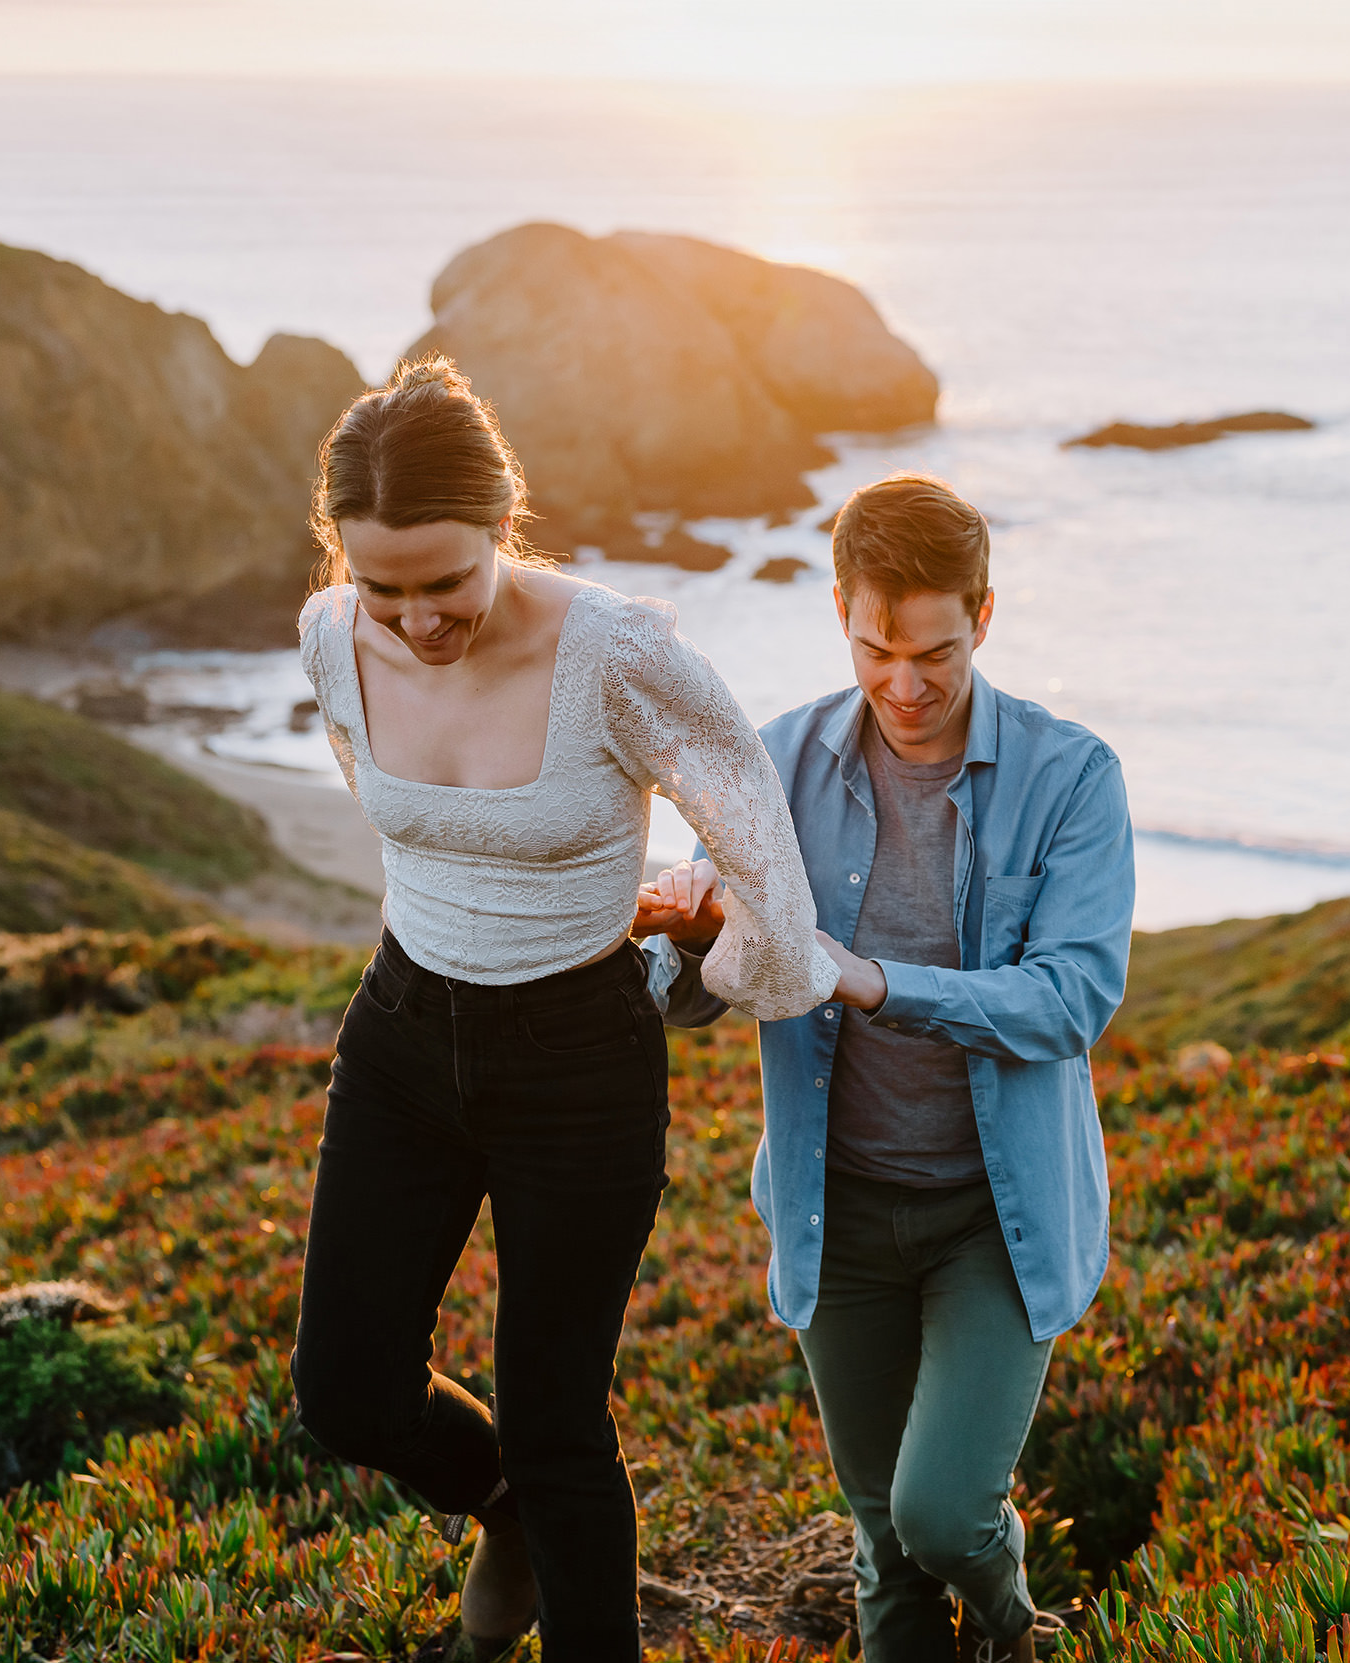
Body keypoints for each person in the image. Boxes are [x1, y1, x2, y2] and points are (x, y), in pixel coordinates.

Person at [289, 359, 838, 1663]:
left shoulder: (619, 653)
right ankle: (503, 1516)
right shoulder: (324, 635)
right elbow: (386, 798)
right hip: (404, 1036)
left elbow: (760, 848)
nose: (416, 620)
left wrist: (704, 954)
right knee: (347, 1391)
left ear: (503, 524)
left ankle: (557, 1551)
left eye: (446, 581)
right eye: (383, 587)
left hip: (578, 1060)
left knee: (557, 1418)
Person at [634, 473, 1134, 1663]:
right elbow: (700, 999)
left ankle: (1018, 1631)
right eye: (874, 650)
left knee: (940, 1515)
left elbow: (1072, 1000)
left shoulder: (1074, 777)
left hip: (994, 1222)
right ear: (843, 616)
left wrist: (870, 979)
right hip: (834, 1210)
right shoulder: (774, 764)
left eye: (935, 653)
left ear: (985, 616)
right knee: (880, 1542)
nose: (902, 686)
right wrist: (683, 938)